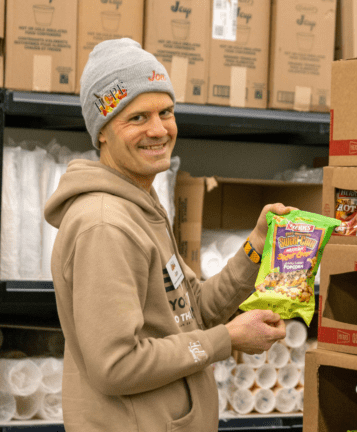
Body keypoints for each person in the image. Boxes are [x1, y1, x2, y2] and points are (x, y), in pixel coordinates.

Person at [44, 38, 290, 432]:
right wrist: (226, 340)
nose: (158, 130)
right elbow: (116, 365)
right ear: (103, 130)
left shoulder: (142, 206)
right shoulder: (105, 226)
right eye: (137, 118)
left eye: (166, 112)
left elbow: (193, 312)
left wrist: (256, 248)